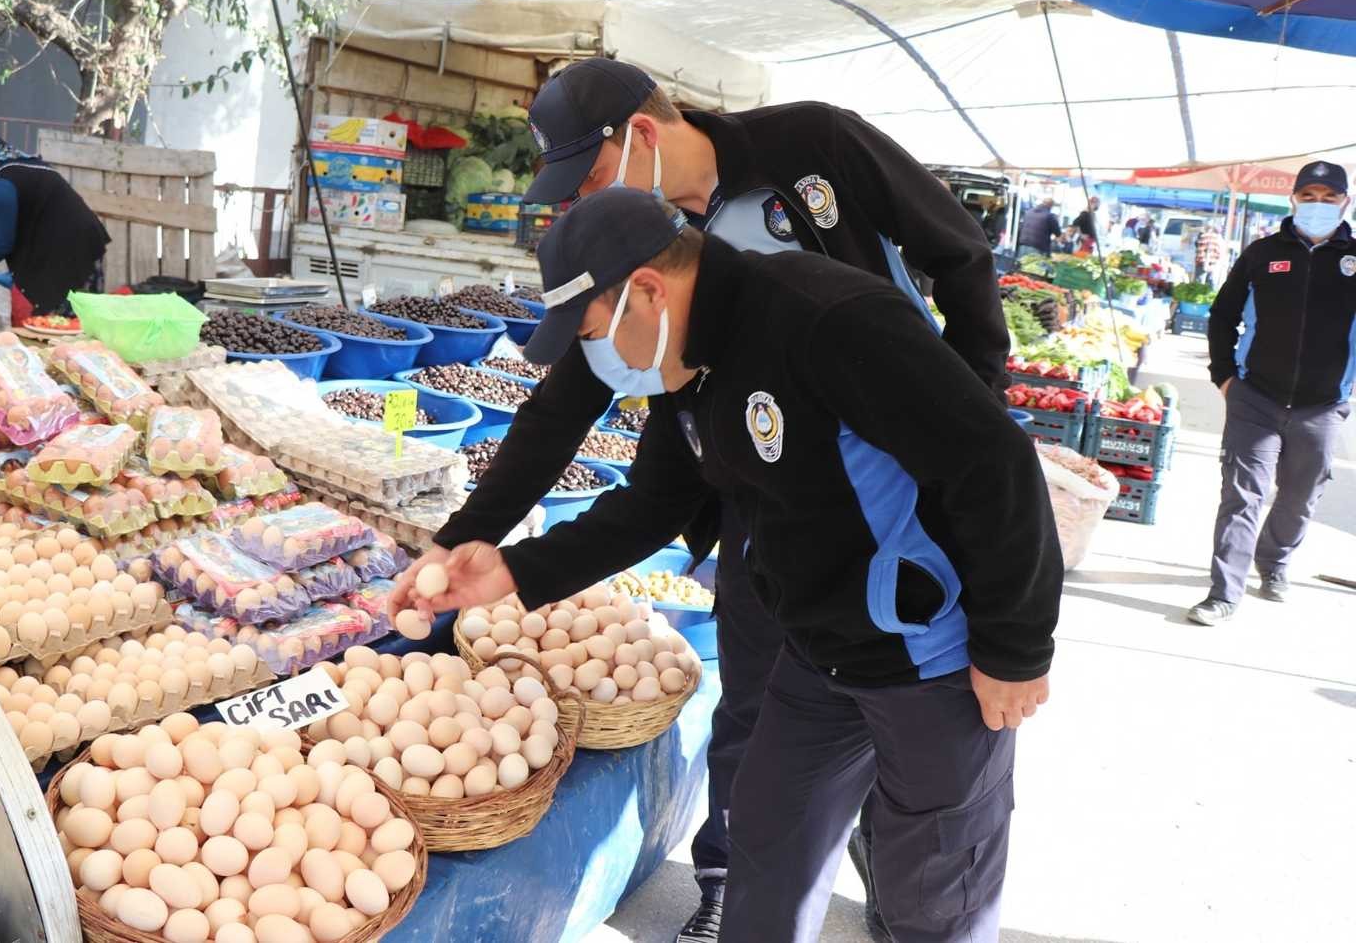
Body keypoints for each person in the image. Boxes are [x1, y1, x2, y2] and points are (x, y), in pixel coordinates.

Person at [388, 57, 1012, 943]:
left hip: (906, 504)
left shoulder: (811, 152)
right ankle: (738, 888)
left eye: (590, 174)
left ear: (640, 134)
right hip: (768, 520)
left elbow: (959, 262)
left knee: (926, 805)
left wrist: (968, 397)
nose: (582, 197)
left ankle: (903, 885)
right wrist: (475, 545)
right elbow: (599, 432)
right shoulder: (654, 272)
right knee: (770, 760)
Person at [1190, 160, 1356, 625]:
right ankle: (1224, 593)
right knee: (1243, 495)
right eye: (1309, 196)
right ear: (1293, 200)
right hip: (1255, 398)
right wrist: (1225, 376)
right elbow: (1223, 315)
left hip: (1322, 406)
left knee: (1300, 496)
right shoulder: (1262, 253)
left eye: (1328, 197)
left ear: (1345, 201)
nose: (1318, 205)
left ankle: (1275, 561)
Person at [0, 125, 110, 317]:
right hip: (56, 244)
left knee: (72, 322)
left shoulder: (1, 184)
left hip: (73, 247)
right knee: (55, 321)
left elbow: (2, 243)